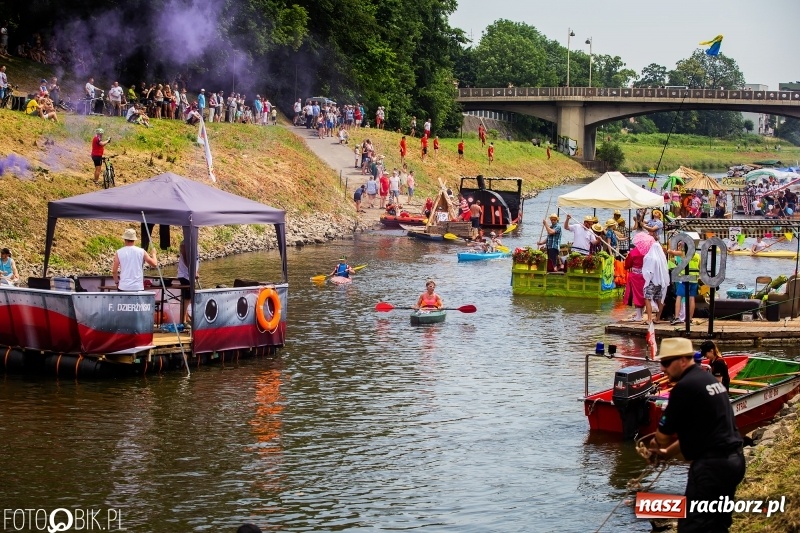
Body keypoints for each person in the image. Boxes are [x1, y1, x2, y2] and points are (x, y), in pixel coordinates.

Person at [649, 337, 745, 533]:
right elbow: (700, 433)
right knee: (717, 525)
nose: (662, 369)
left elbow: (662, 437)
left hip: (711, 468)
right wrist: (667, 453)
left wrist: (655, 446)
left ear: (683, 360)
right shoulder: (708, 380)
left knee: (692, 527)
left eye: (666, 362)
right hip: (734, 462)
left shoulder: (684, 388)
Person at [640, 232, 669, 324]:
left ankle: (649, 319)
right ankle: (658, 318)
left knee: (647, 298)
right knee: (660, 299)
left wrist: (647, 279)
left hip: (651, 281)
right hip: (661, 281)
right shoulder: (662, 258)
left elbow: (647, 270)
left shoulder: (650, 257)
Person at [177, 240, 199, 324]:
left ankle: (186, 318)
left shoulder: (194, 244)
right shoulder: (185, 244)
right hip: (185, 276)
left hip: (190, 276)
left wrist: (196, 271)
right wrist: (193, 271)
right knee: (187, 299)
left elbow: (195, 260)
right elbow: (186, 258)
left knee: (189, 298)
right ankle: (183, 321)